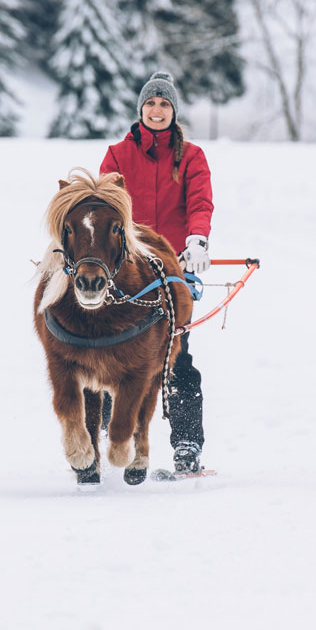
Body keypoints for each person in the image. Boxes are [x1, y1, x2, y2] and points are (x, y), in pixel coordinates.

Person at [98, 71, 214, 474]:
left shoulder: (192, 157)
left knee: (174, 357)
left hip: (172, 271)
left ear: (174, 111)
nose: (157, 110)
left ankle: (186, 444)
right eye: (151, 103)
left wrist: (197, 240)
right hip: (127, 269)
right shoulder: (117, 154)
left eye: (165, 104)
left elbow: (200, 201)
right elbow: (104, 205)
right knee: (116, 355)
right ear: (140, 109)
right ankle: (112, 438)